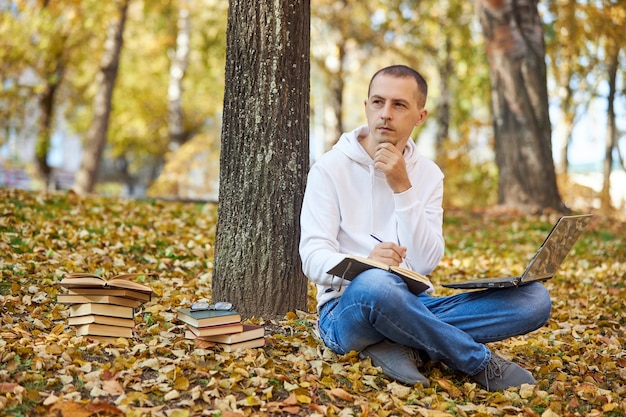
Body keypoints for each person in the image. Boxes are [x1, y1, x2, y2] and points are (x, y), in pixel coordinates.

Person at [299, 64, 552, 391]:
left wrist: (403, 187)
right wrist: (366, 262)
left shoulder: (429, 174)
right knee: (378, 284)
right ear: (366, 107)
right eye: (378, 102)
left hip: (415, 304)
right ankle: (478, 362)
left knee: (534, 300)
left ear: (420, 116)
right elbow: (312, 257)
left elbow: (425, 262)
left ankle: (401, 341)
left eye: (399, 105)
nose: (385, 114)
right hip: (347, 310)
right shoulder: (329, 169)